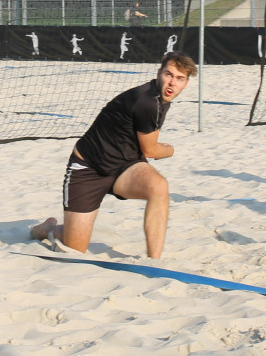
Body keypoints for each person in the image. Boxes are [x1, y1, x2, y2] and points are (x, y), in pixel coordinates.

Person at [31, 52, 196, 258]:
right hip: (88, 168)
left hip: (124, 166)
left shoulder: (163, 97)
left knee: (159, 187)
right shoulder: (147, 101)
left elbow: (145, 143)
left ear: (186, 83)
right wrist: (170, 150)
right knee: (75, 248)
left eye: (180, 78)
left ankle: (154, 261)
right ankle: (47, 228)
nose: (172, 82)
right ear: (158, 74)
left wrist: (155, 146)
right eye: (168, 75)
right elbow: (151, 151)